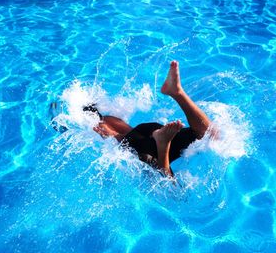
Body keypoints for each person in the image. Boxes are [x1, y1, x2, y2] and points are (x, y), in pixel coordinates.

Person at [50, 61, 216, 177]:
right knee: (208, 133)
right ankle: (177, 94)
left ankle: (164, 134)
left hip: (145, 142)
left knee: (119, 138)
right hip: (149, 137)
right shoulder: (116, 124)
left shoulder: (111, 125)